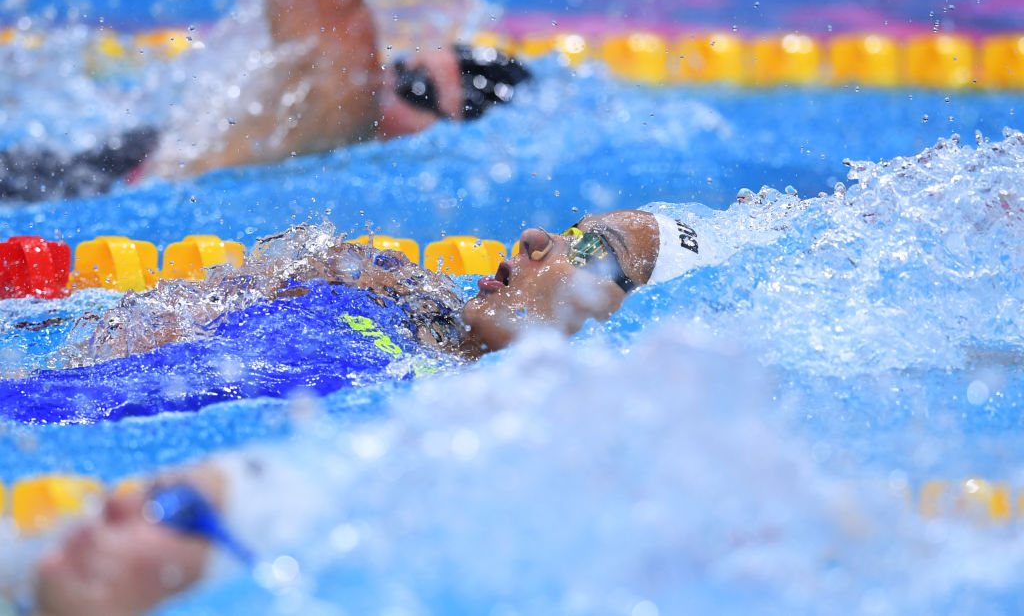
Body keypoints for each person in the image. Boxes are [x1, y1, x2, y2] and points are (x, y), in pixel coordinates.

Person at [3, 207, 714, 615]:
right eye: (569, 228)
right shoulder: (378, 283)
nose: (535, 238)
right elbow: (147, 331)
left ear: (630, 327)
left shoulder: (448, 445)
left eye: (592, 250)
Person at [0, 0, 531, 201]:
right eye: (400, 66)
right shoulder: (337, 123)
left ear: (450, 136)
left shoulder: (343, 119)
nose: (385, 80)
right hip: (77, 178)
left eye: (416, 88)